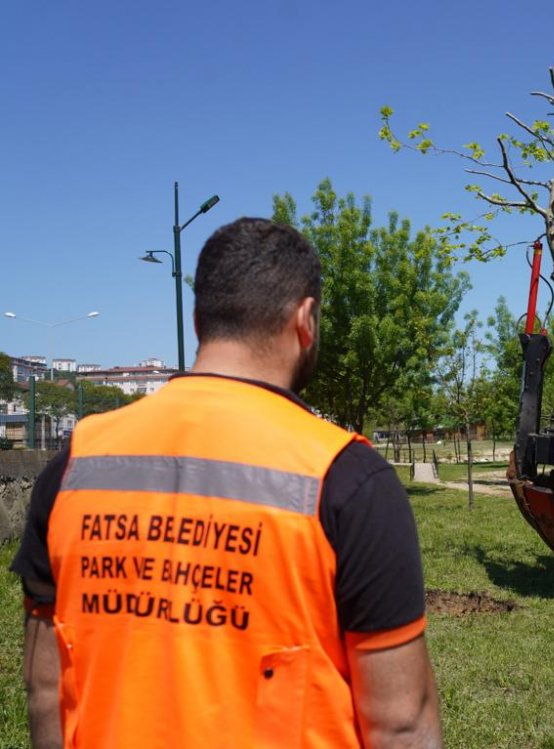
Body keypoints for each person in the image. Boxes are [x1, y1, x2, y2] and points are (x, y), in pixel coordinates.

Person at [12, 217, 442, 748]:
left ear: (199, 322)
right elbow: (400, 722)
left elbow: (44, 686)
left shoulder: (75, 463)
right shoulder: (348, 477)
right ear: (306, 319)